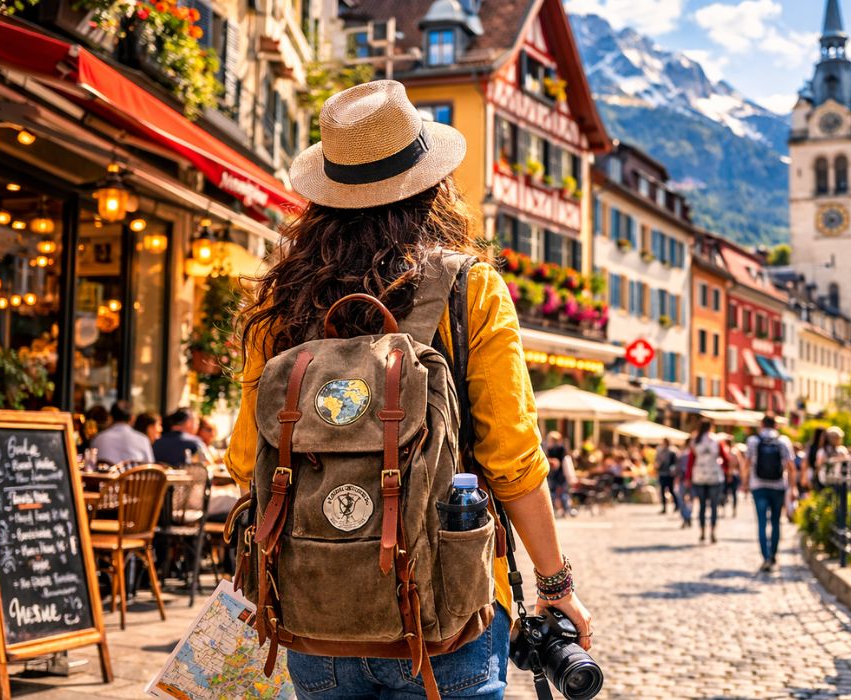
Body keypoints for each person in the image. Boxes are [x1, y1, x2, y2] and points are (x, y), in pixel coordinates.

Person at [223, 81, 591, 699]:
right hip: (447, 610)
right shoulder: (467, 288)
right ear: (432, 185)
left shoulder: (281, 301)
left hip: (314, 615)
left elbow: (243, 460)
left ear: (324, 198)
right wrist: (555, 586)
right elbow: (513, 458)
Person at [744, 415, 797, 572]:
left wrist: (745, 482)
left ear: (761, 424)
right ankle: (773, 556)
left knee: (761, 522)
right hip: (778, 486)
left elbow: (746, 464)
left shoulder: (753, 441)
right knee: (775, 522)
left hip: (758, 486)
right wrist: (793, 487)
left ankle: (765, 557)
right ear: (776, 426)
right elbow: (791, 467)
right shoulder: (783, 441)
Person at [686, 420, 724, 544]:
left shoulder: (695, 440)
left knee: (702, 506)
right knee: (713, 506)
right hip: (714, 476)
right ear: (711, 427)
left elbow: (691, 461)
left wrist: (688, 477)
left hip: (699, 476)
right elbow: (725, 458)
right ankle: (712, 532)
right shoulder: (717, 440)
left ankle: (702, 532)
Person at [89, 401, 154, 465]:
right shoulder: (143, 439)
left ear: (110, 417)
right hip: (135, 475)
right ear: (132, 418)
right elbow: (150, 466)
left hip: (108, 475)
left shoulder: (98, 439)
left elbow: (91, 465)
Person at [655, 438, 680, 514]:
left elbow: (676, 462)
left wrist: (674, 470)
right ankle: (664, 507)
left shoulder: (673, 451)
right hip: (662, 473)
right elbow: (657, 461)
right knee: (662, 491)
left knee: (671, 490)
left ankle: (677, 505)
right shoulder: (660, 451)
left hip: (669, 474)